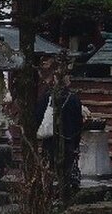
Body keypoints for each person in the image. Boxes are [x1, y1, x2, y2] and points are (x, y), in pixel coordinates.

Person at [37, 70, 83, 199]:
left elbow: (38, 116)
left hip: (50, 141)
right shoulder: (73, 98)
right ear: (67, 80)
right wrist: (76, 142)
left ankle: (48, 197)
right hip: (68, 140)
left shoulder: (48, 97)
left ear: (55, 79)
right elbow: (78, 123)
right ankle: (64, 197)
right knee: (66, 172)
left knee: (48, 171)